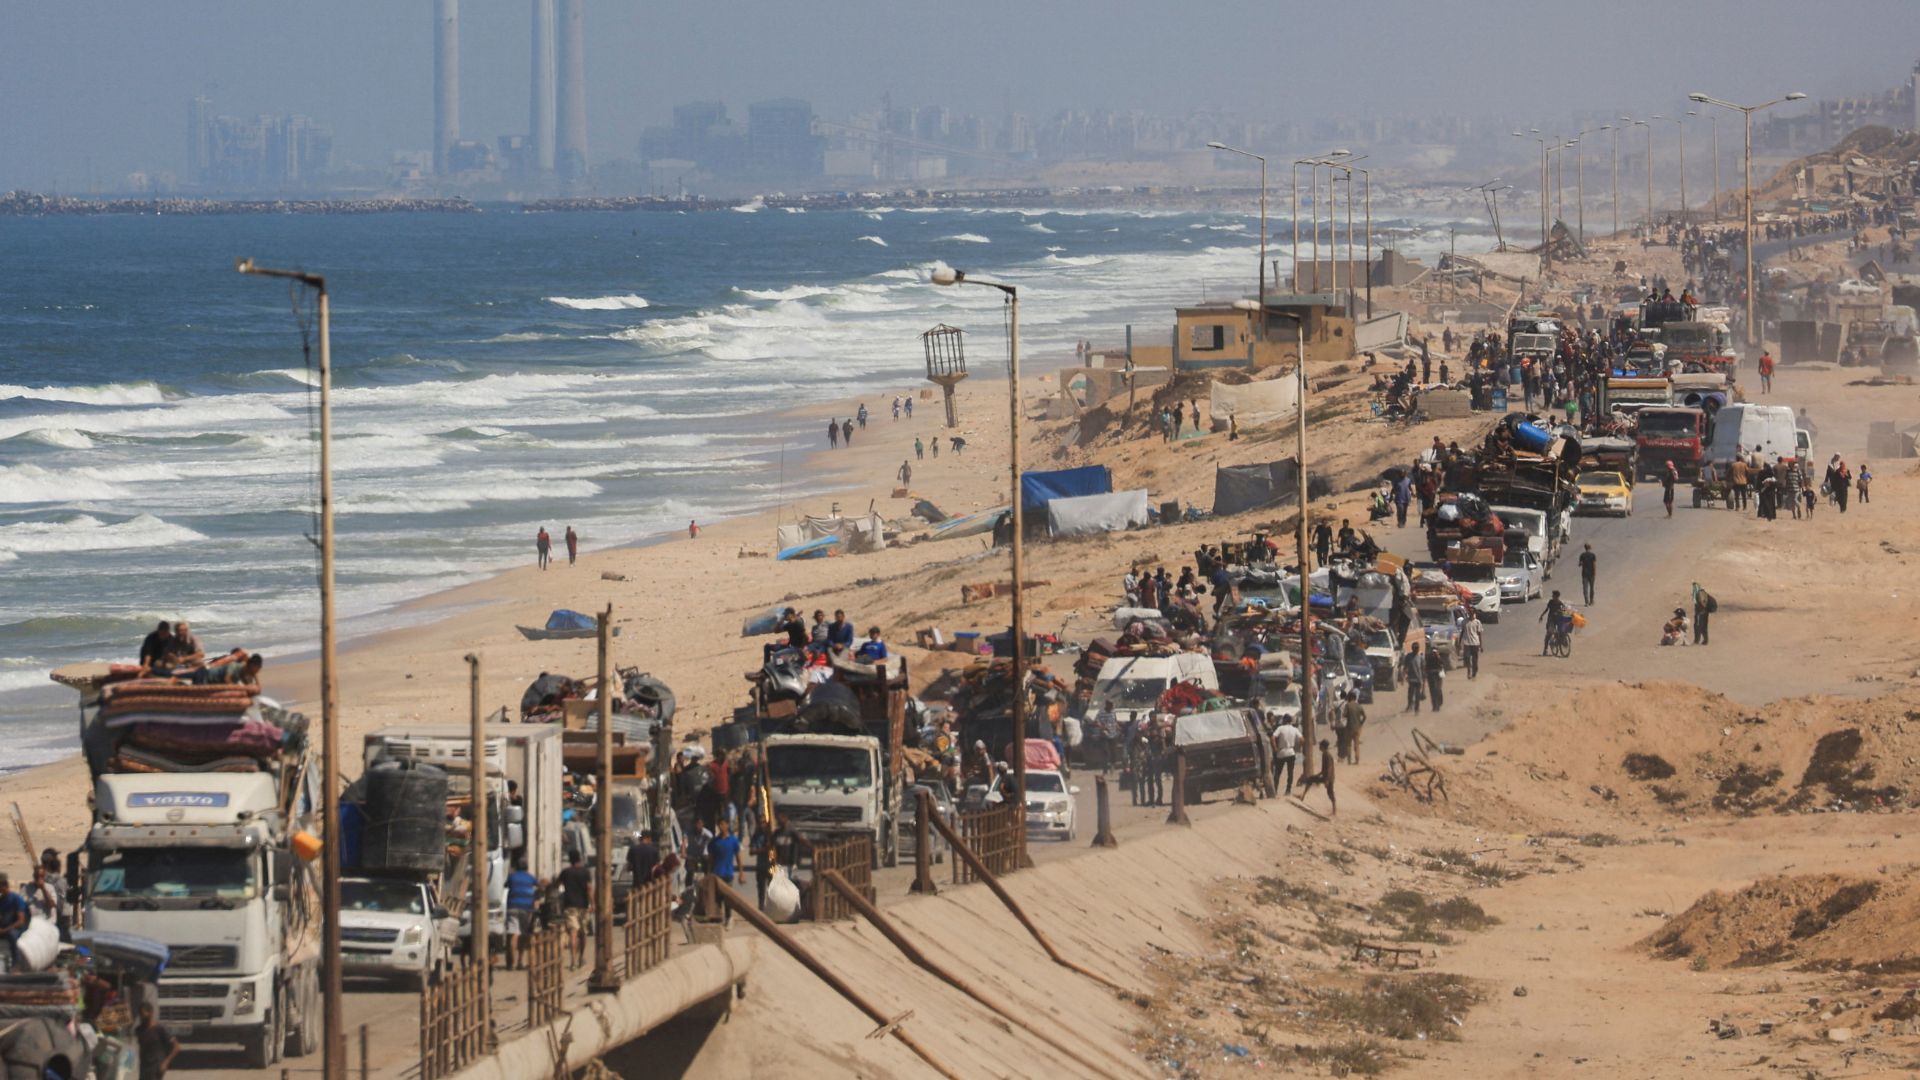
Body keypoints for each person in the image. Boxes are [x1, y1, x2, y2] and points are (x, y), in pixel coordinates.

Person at [557, 850, 592, 967]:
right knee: (583, 934)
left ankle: (572, 961)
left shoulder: (565, 872)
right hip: (583, 906)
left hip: (569, 905)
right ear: (579, 859)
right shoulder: (585, 872)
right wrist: (593, 903)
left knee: (573, 933)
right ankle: (581, 958)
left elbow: (557, 885)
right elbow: (589, 889)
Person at [504, 858, 539, 969]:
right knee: (523, 934)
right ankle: (520, 961)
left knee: (513, 934)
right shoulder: (530, 877)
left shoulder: (512, 876)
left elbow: (505, 886)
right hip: (526, 908)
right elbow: (538, 886)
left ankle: (511, 963)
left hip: (512, 907)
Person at [136, 1003, 180, 1080]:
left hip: (156, 1067)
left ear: (150, 1013)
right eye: (140, 1015)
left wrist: (165, 1063)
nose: (142, 1017)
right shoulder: (139, 1030)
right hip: (144, 1068)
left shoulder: (159, 1029)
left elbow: (177, 1047)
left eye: (143, 1014)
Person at [708, 821, 740, 924]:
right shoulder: (714, 842)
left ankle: (728, 917)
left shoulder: (733, 841)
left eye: (723, 824)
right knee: (717, 898)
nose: (721, 826)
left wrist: (741, 872)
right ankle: (717, 918)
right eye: (719, 824)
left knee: (728, 898)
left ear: (727, 825)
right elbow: (711, 859)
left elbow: (738, 857)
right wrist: (709, 872)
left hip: (728, 874)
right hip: (717, 873)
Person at [1295, 740, 1337, 815]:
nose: (1319, 747)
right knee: (1310, 779)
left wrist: (1326, 780)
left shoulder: (1327, 755)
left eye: (1320, 746)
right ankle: (1303, 796)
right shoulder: (1325, 754)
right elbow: (1324, 769)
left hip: (1329, 777)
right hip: (1326, 776)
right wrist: (1318, 774)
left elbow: (1329, 768)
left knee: (1330, 792)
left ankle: (1334, 810)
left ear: (1323, 747)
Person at [1271, 713, 1302, 794]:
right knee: (1290, 772)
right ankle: (1288, 790)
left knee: (1277, 772)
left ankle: (1275, 790)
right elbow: (1302, 739)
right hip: (1291, 752)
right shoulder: (1294, 729)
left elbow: (1273, 737)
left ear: (1284, 720)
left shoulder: (1280, 728)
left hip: (1281, 752)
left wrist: (1275, 748)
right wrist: (1298, 748)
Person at [1540, 590, 1570, 655]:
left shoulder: (1560, 604)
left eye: (1553, 596)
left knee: (1562, 632)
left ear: (1557, 597)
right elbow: (1547, 609)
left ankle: (1562, 643)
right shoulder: (1551, 602)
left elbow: (1566, 612)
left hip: (1558, 620)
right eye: (1552, 595)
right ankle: (1545, 649)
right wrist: (1542, 615)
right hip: (1551, 620)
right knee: (1549, 634)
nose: (1552, 596)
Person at [1401, 642, 1426, 714]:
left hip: (1418, 679)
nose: (1416, 649)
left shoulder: (1421, 657)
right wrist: (1403, 677)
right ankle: (1409, 706)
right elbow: (1405, 667)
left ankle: (1417, 709)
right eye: (1415, 648)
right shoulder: (1408, 656)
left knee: (1417, 695)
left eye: (1417, 648)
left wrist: (1424, 683)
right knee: (1410, 694)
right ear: (1412, 648)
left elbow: (1423, 670)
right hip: (1411, 679)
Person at [1342, 692, 1367, 764]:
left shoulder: (1348, 705)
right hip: (1357, 728)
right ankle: (1357, 760)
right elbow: (1365, 716)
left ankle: (1349, 761)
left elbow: (1344, 715)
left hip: (1349, 728)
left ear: (1349, 698)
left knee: (1348, 745)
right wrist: (1361, 723)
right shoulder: (1359, 706)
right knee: (1356, 745)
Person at [1459, 607, 1483, 679]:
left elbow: (1479, 634)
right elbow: (1462, 632)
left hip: (1475, 643)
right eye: (1470, 613)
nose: (1471, 614)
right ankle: (1469, 670)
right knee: (1467, 657)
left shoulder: (1477, 622)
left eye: (1472, 613)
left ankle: (1474, 672)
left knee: (1474, 659)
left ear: (1474, 613)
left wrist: (1481, 645)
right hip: (1467, 643)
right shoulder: (1464, 622)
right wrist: (1460, 642)